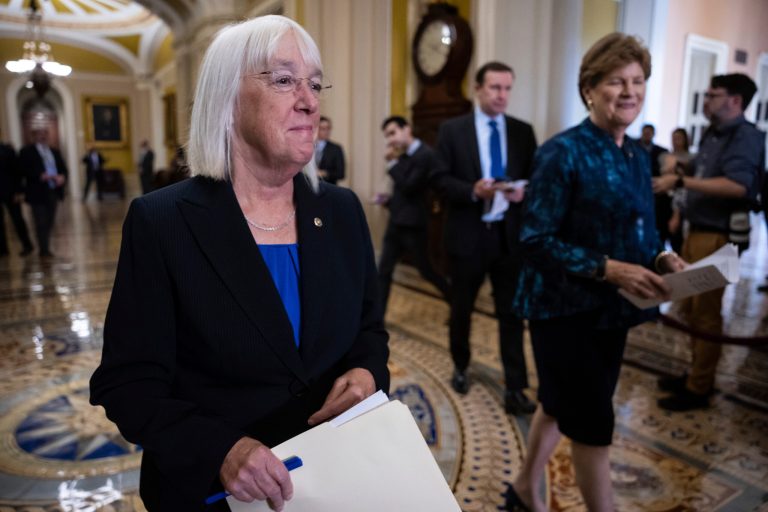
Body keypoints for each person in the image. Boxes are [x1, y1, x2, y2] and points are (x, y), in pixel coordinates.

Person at [89, 15, 389, 511]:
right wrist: (220, 450)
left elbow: (370, 331)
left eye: (315, 84)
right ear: (227, 98)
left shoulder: (341, 210)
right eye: (284, 80)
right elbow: (127, 384)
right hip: (213, 495)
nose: (310, 101)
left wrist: (367, 372)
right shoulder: (162, 221)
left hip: (332, 481)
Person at [507, 33, 685, 512]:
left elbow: (642, 230)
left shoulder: (637, 155)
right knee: (592, 424)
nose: (629, 91)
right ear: (589, 88)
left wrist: (663, 257)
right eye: (616, 81)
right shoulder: (562, 152)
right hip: (562, 311)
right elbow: (534, 241)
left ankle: (524, 489)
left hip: (612, 312)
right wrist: (610, 270)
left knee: (561, 402)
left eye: (638, 81)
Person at [653, 73, 764, 411]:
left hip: (717, 237)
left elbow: (738, 186)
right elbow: (704, 173)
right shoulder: (714, 135)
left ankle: (699, 387)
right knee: (689, 310)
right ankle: (693, 375)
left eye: (713, 94)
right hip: (696, 231)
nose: (706, 100)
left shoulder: (746, 137)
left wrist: (682, 179)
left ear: (735, 101)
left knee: (706, 314)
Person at [432, 61, 537, 415]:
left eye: (507, 88)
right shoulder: (452, 130)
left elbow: (534, 180)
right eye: (495, 88)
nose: (502, 95)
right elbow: (440, 180)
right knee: (461, 309)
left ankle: (516, 386)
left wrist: (525, 193)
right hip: (468, 236)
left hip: (508, 238)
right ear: (478, 89)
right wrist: (473, 191)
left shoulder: (523, 132)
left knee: (512, 315)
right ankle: (461, 366)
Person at [377, 116, 450, 312]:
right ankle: (376, 319)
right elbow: (402, 191)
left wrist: (392, 164)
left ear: (407, 129)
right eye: (387, 136)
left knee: (427, 271)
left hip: (414, 225)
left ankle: (456, 303)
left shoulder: (426, 154)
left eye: (392, 133)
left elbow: (410, 187)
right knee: (383, 271)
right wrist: (388, 200)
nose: (390, 140)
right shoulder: (403, 156)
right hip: (396, 222)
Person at [19, 128, 67, 258]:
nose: (42, 137)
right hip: (37, 192)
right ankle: (44, 249)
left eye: (45, 134)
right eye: (39, 135)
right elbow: (22, 170)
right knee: (40, 221)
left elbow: (63, 168)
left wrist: (62, 177)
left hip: (53, 191)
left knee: (49, 221)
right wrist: (40, 175)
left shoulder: (54, 152)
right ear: (33, 137)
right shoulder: (27, 152)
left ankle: (44, 245)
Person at [0, 131, 34, 256]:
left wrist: (19, 191)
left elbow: (17, 172)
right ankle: (3, 249)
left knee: (17, 220)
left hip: (10, 192)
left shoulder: (7, 151)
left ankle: (27, 245)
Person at [662, 128, 695, 253]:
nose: (675, 141)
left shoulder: (692, 158)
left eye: (679, 138)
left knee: (678, 239)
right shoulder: (665, 156)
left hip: (682, 200)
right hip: (664, 200)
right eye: (673, 138)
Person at [640, 123, 672, 247]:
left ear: (653, 134)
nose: (647, 135)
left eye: (649, 133)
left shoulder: (662, 152)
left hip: (656, 194)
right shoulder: (631, 147)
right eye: (645, 132)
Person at [314, 116, 345, 184]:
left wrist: (324, 173)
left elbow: (341, 174)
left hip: (328, 186)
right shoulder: (309, 146)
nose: (326, 131)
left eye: (328, 128)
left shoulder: (336, 149)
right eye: (323, 129)